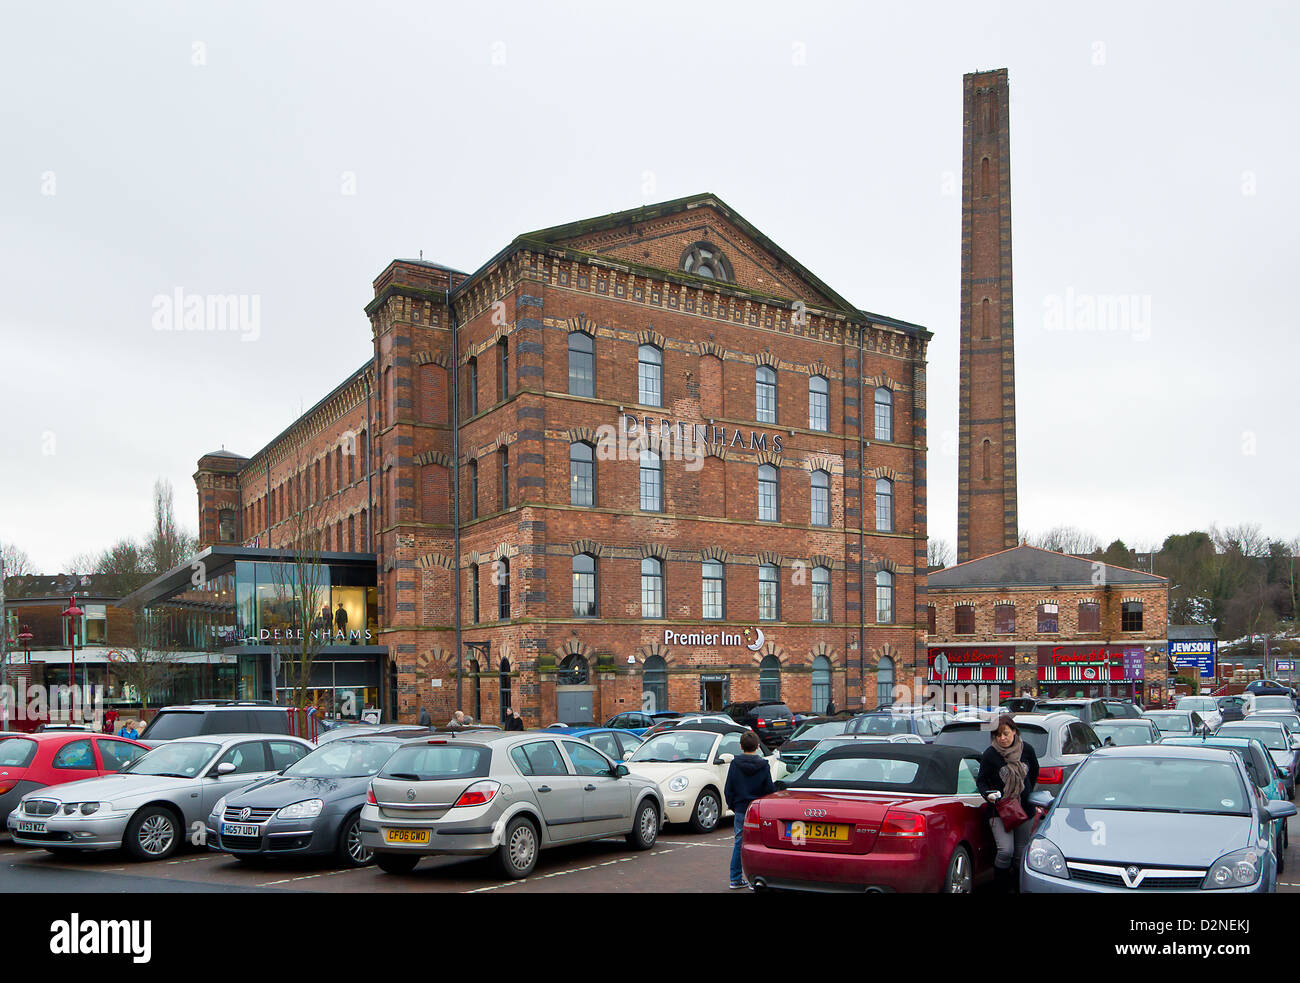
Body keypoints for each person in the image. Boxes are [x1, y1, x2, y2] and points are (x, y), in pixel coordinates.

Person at [976, 714, 1039, 893]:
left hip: (1024, 809)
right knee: (1005, 851)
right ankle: (1000, 887)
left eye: (1005, 733)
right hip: (999, 810)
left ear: (1014, 731)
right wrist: (987, 794)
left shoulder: (1027, 750)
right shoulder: (990, 754)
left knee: (1020, 855)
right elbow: (981, 781)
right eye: (998, 735)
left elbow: (1033, 773)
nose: (1002, 738)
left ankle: (1018, 887)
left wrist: (1025, 793)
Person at [723, 730, 775, 890]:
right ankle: (756, 880)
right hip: (757, 810)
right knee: (758, 845)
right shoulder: (764, 765)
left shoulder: (734, 764)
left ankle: (735, 878)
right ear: (758, 746)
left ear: (740, 746)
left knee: (739, 843)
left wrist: (734, 805)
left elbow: (728, 789)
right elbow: (769, 789)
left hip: (740, 808)